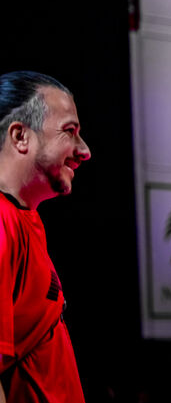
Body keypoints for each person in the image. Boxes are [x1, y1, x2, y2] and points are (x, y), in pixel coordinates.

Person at [0, 71, 91, 403]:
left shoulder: (27, 220)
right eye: (69, 132)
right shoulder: (2, 223)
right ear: (21, 136)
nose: (85, 151)